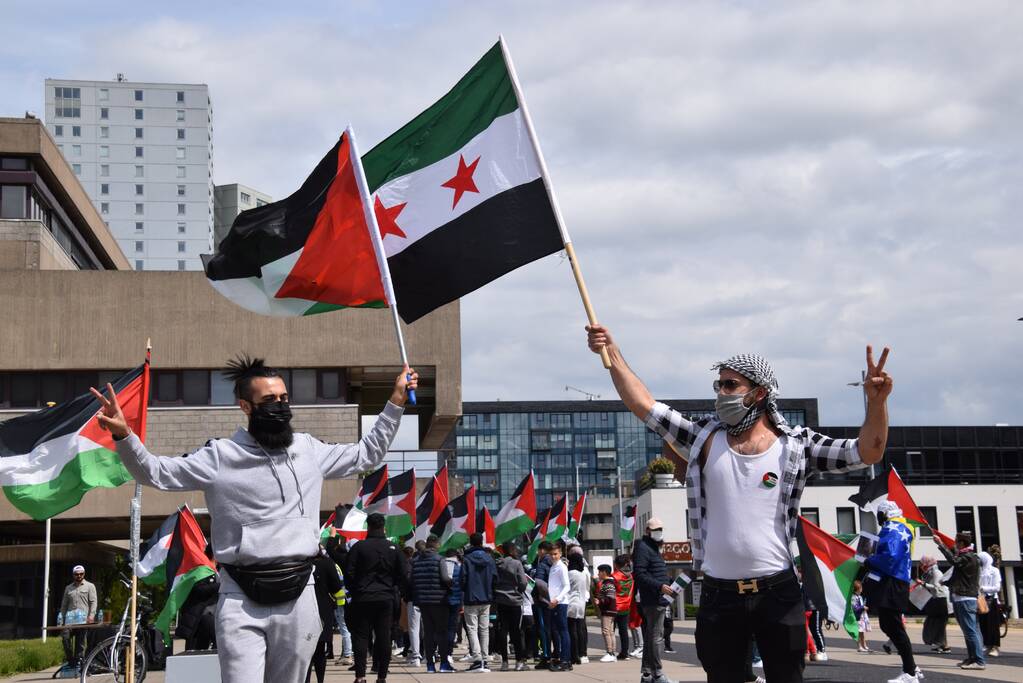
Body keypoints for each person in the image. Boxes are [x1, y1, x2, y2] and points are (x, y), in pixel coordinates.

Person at [586, 326, 891, 683]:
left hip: (778, 593)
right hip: (719, 595)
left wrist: (877, 402)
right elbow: (645, 406)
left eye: (730, 385)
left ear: (759, 393)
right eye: (718, 385)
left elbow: (867, 450)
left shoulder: (795, 445)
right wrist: (613, 355)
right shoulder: (703, 438)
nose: (720, 393)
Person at [95, 356, 417, 683]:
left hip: (300, 596)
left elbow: (368, 454)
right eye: (269, 401)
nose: (279, 406)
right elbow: (157, 473)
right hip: (240, 598)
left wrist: (395, 402)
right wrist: (125, 438)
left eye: (284, 398)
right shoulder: (219, 456)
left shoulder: (309, 449)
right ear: (246, 406)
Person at [345, 513, 410, 683]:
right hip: (385, 597)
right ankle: (382, 676)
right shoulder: (393, 548)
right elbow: (404, 574)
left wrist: (356, 589)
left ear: (368, 526)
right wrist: (394, 588)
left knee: (361, 637)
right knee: (384, 637)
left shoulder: (359, 547)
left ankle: (360, 676)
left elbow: (349, 573)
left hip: (363, 597)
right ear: (383, 527)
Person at [863, 501, 918, 683]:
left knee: (894, 626)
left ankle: (910, 672)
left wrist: (869, 560)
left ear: (885, 514)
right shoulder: (900, 526)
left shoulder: (892, 528)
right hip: (897, 581)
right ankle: (911, 668)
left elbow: (890, 557)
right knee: (889, 625)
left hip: (892, 582)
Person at [632, 517, 673, 683]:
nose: (659, 532)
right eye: (656, 530)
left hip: (658, 597)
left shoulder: (651, 547)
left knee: (651, 636)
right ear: (647, 531)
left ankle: (648, 673)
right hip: (653, 598)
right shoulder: (644, 547)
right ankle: (657, 673)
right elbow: (640, 574)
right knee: (655, 636)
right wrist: (660, 586)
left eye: (661, 529)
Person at [937, 532, 984, 670]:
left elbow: (954, 561)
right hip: (961, 597)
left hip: (965, 598)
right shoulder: (967, 556)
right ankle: (972, 658)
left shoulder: (968, 557)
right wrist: (946, 583)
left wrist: (941, 545)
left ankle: (979, 660)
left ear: (962, 543)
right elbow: (959, 574)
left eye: (956, 542)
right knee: (968, 630)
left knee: (970, 631)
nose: (954, 545)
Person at [408, 535, 454, 673]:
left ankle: (430, 665)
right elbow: (445, 578)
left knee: (428, 632)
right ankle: (444, 663)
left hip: (422, 600)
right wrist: (451, 585)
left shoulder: (415, 561)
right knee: (442, 632)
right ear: (437, 545)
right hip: (439, 600)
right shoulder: (440, 559)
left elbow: (411, 580)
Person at [306, 547, 344, 683]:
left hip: (304, 609)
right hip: (323, 609)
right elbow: (336, 586)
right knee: (320, 650)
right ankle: (320, 680)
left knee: (305, 651)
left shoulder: (301, 562)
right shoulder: (327, 563)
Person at [461, 532, 497, 671]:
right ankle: (484, 658)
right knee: (484, 630)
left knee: (472, 629)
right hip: (486, 598)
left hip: (471, 598)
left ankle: (477, 659)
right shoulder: (489, 558)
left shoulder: (467, 559)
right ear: (482, 542)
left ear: (471, 542)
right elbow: (495, 578)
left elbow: (462, 579)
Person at [495, 541, 529, 671]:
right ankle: (519, 661)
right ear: (512, 550)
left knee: (503, 630)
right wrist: (519, 590)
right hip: (515, 600)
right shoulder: (517, 563)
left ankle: (504, 662)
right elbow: (523, 582)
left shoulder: (497, 563)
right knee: (516, 631)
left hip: (501, 599)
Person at [60, 565, 97, 668]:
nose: (79, 576)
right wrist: (61, 619)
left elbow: (93, 602)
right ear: (73, 575)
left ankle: (79, 661)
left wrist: (91, 616)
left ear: (84, 574)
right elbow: (64, 605)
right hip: (70, 621)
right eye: (77, 574)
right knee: (65, 637)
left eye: (81, 574)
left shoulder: (90, 586)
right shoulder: (68, 588)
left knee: (80, 643)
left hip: (83, 621)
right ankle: (70, 660)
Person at [176, 570, 219, 651]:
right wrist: (220, 586)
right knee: (196, 650)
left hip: (211, 614)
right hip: (199, 617)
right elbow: (197, 589)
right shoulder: (201, 569)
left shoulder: (219, 570)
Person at [546, 544, 572, 671]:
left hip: (560, 603)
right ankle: (565, 659)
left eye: (555, 554)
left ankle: (565, 660)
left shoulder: (561, 567)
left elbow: (567, 586)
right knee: (559, 631)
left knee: (563, 631)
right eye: (551, 554)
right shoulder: (553, 567)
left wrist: (557, 599)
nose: (553, 556)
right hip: (554, 603)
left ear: (560, 554)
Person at [917, 556, 949, 653]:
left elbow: (936, 587)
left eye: (923, 563)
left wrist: (923, 584)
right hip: (934, 599)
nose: (921, 565)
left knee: (938, 623)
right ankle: (941, 644)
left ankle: (942, 645)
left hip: (940, 599)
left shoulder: (936, 572)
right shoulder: (929, 573)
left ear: (928, 563)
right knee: (934, 623)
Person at [532, 541, 555, 667]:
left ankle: (546, 656)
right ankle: (555, 654)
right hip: (556, 600)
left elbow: (540, 583)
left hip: (543, 602)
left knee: (543, 628)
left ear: (542, 550)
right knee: (553, 629)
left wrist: (545, 597)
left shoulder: (542, 564)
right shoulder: (556, 563)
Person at [567, 551, 590, 665]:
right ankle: (582, 653)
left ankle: (574, 654)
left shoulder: (570, 573)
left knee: (572, 630)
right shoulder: (583, 573)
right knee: (580, 629)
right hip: (581, 603)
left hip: (571, 603)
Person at [977, 550, 1001, 658]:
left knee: (993, 625)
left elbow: (997, 587)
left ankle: (995, 646)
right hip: (982, 599)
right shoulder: (979, 571)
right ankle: (986, 644)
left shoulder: (994, 571)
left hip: (992, 600)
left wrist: (983, 588)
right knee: (983, 623)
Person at [611, 554, 635, 660]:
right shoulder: (630, 576)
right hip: (626, 605)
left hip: (615, 605)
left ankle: (611, 651)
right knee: (623, 630)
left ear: (616, 565)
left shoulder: (614, 576)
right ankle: (625, 652)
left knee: (610, 631)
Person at [594, 564, 618, 662]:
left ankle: (610, 652)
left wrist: (600, 601)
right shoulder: (609, 583)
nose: (598, 574)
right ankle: (612, 652)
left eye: (599, 572)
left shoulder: (608, 584)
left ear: (604, 572)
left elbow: (609, 599)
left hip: (608, 611)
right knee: (610, 632)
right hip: (611, 611)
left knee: (606, 631)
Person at [851, 580, 871, 653]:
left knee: (862, 631)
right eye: (861, 588)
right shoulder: (854, 597)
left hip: (862, 616)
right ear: (858, 589)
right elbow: (855, 607)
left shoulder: (860, 597)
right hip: (857, 617)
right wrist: (863, 607)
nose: (862, 589)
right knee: (859, 632)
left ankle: (864, 645)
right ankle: (859, 646)